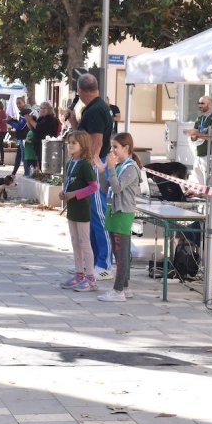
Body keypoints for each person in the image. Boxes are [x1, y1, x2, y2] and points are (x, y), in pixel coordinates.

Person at [64, 73, 115, 280]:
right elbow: (84, 138)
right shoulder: (95, 108)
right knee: (89, 216)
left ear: (80, 91)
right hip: (90, 164)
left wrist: (88, 162)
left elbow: (96, 142)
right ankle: (93, 263)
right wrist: (74, 121)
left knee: (97, 216)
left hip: (93, 166)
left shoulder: (95, 110)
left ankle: (104, 264)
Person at [94, 132, 142, 302]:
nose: (112, 150)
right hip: (114, 210)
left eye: (116, 147)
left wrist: (111, 168)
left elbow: (117, 188)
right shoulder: (120, 165)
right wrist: (102, 171)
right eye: (111, 147)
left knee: (121, 252)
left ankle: (118, 290)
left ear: (126, 148)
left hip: (123, 212)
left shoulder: (130, 168)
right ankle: (126, 287)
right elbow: (105, 187)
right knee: (117, 250)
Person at [59, 131, 100, 292]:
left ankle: (91, 278)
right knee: (75, 241)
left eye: (74, 143)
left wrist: (75, 194)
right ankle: (79, 274)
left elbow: (94, 186)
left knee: (84, 242)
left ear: (82, 146)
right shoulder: (70, 163)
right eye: (69, 142)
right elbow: (71, 183)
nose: (70, 145)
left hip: (82, 208)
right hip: (72, 208)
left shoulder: (85, 164)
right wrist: (65, 192)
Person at [185, 95, 212, 187]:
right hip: (198, 153)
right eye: (199, 103)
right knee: (199, 181)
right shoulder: (199, 118)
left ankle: (208, 199)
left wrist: (197, 135)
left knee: (208, 181)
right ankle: (201, 198)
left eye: (202, 103)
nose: (200, 105)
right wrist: (192, 136)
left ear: (209, 104)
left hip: (208, 154)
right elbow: (195, 134)